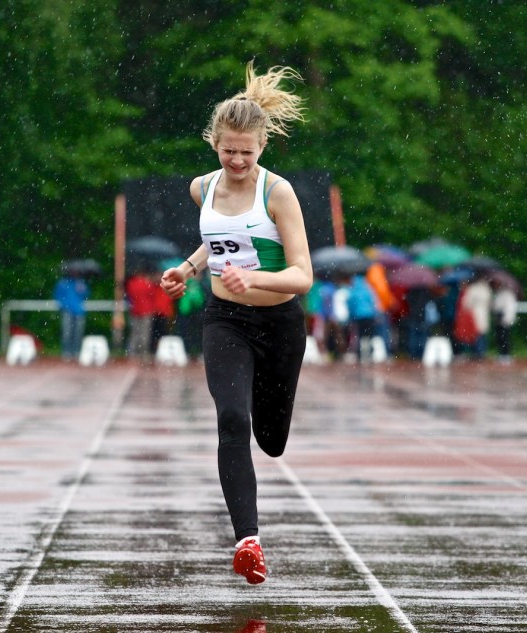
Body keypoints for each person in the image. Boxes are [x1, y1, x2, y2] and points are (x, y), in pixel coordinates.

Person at [160, 61, 311, 584]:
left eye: (247, 152)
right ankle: (248, 540)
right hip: (225, 319)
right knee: (230, 419)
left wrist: (257, 281)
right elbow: (218, 241)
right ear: (214, 143)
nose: (237, 160)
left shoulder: (278, 193)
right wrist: (188, 268)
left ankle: (267, 450)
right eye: (229, 150)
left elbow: (302, 275)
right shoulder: (202, 188)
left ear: (262, 147)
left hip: (280, 325)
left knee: (270, 439)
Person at [53, 265, 90, 361]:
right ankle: (66, 352)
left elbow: (86, 295)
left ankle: (76, 352)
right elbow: (58, 296)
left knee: (78, 333)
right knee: (67, 333)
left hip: (79, 311)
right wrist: (64, 305)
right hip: (67, 311)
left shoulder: (81, 283)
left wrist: (82, 289)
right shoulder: (63, 283)